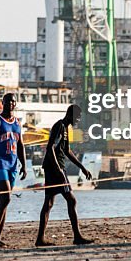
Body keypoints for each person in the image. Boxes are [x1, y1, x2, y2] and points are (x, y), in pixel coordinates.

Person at [35, 104, 93, 247]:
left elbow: (67, 151)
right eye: (77, 117)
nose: (78, 120)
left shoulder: (66, 129)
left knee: (49, 203)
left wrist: (83, 168)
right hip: (54, 169)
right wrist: (59, 170)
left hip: (54, 168)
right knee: (71, 200)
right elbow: (50, 148)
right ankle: (77, 237)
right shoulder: (60, 126)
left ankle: (40, 239)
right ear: (71, 115)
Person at [0, 92, 26, 247]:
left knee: (4, 201)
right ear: (3, 103)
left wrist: (24, 165)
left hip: (13, 165)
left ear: (15, 104)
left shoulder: (17, 123)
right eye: (8, 101)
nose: (10, 104)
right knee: (6, 198)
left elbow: (21, 144)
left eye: (13, 102)